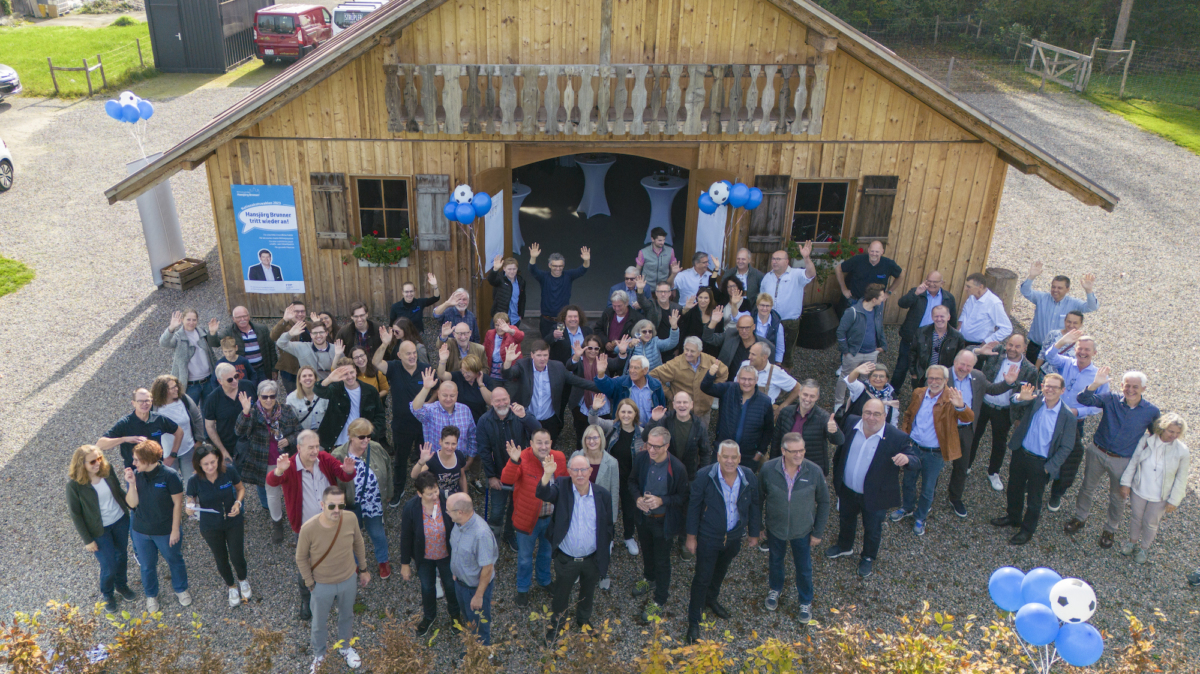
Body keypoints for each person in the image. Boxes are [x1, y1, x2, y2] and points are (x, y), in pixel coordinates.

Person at [1064, 367, 1160, 548]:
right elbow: (1083, 399)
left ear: (1144, 389)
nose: (1130, 390)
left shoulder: (1151, 411)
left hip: (1123, 460)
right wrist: (1095, 384)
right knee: (1087, 487)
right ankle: (1079, 517)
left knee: (1118, 497)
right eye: (1127, 385)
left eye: (1135, 387)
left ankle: (1110, 529)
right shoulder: (1111, 399)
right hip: (1098, 452)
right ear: (1122, 385)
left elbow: (1156, 437)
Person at [267, 430, 357, 618]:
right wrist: (279, 470)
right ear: (299, 448)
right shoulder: (289, 465)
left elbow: (343, 475)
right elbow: (271, 481)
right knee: (305, 567)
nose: (316, 450)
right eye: (311, 447)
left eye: (317, 446)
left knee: (334, 559)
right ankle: (305, 600)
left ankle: (332, 592)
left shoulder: (324, 458)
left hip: (332, 523)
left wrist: (349, 470)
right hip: (305, 529)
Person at [826, 399, 917, 578]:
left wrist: (907, 460)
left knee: (873, 528)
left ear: (885, 416)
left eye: (877, 414)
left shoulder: (896, 437)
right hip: (847, 488)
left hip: (875, 494)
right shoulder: (851, 422)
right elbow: (838, 445)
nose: (871, 417)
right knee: (846, 519)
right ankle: (845, 546)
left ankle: (868, 557)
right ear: (862, 413)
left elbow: (914, 459)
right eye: (867, 412)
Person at [682, 440, 760, 643]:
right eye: (725, 456)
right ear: (718, 457)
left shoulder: (748, 476)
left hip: (733, 537)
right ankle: (694, 620)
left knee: (720, 571)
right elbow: (694, 507)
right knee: (702, 577)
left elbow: (755, 505)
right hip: (709, 537)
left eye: (734, 457)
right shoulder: (705, 476)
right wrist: (691, 537)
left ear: (740, 458)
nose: (729, 461)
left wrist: (753, 532)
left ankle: (711, 599)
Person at [989, 377, 1076, 545]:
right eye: (1047, 386)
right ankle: (1013, 517)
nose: (1050, 390)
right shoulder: (1034, 400)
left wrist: (1049, 467)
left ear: (1062, 390)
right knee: (1014, 488)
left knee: (1034, 500)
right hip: (1021, 454)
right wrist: (1021, 397)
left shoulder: (1067, 416)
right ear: (1042, 387)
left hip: (1041, 463)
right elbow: (1014, 401)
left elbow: (1066, 447)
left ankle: (1027, 530)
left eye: (1055, 388)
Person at [537, 453, 614, 639]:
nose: (580, 474)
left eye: (583, 469)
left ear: (590, 471)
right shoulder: (562, 487)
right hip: (566, 558)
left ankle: (583, 621)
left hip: (591, 558)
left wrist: (604, 553)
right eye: (575, 470)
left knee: (588, 592)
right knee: (561, 595)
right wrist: (547, 474)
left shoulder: (602, 494)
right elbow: (543, 493)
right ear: (569, 471)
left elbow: (608, 526)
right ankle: (556, 626)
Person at [296, 486, 369, 672]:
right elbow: (301, 557)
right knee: (319, 622)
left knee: (347, 615)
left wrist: (364, 569)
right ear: (322, 505)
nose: (337, 510)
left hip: (347, 579)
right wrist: (310, 582)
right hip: (321, 584)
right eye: (331, 506)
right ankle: (319, 655)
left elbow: (358, 542)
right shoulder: (309, 528)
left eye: (341, 505)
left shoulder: (351, 519)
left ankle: (345, 647)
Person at [894, 365, 972, 535]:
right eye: (931, 378)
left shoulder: (951, 398)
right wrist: (905, 434)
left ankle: (920, 517)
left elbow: (968, 418)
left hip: (934, 453)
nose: (934, 382)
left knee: (928, 488)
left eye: (938, 379)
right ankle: (907, 507)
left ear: (945, 380)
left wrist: (961, 406)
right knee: (908, 481)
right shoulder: (919, 393)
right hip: (913, 448)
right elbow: (909, 414)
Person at [760, 432, 827, 625]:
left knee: (804, 568)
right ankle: (775, 589)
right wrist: (758, 527)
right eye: (794, 451)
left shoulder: (814, 471)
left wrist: (818, 531)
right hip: (776, 529)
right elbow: (758, 498)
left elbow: (824, 501)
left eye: (802, 450)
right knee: (775, 561)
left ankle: (805, 601)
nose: (799, 455)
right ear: (783, 451)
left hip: (803, 531)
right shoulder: (768, 469)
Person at [944, 349, 1016, 517]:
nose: (964, 368)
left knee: (961, 467)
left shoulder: (978, 377)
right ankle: (929, 495)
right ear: (955, 362)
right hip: (943, 429)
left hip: (965, 429)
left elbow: (992, 389)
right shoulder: (942, 375)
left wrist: (1008, 383)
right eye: (962, 364)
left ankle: (955, 498)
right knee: (936, 465)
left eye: (969, 365)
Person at [628, 426, 689, 622]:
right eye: (649, 445)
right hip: (644, 519)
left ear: (667, 446)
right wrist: (637, 498)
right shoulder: (641, 459)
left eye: (656, 447)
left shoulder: (677, 468)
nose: (651, 450)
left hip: (664, 522)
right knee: (646, 551)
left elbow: (683, 497)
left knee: (662, 560)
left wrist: (662, 501)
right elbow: (631, 482)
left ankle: (660, 599)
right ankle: (649, 578)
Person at [1041, 330, 1105, 511]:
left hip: (1074, 422)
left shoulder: (1098, 376)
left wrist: (1078, 411)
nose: (1083, 352)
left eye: (1087, 349)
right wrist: (1062, 342)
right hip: (1052, 417)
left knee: (1068, 458)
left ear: (1094, 353)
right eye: (1079, 348)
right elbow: (1049, 356)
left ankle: (1056, 493)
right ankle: (1040, 481)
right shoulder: (1066, 363)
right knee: (1045, 449)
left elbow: (1100, 404)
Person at [501, 429, 567, 606]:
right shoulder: (522, 457)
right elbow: (506, 479)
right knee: (524, 557)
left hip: (551, 518)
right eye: (539, 442)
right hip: (527, 519)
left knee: (546, 553)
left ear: (551, 443)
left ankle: (544, 581)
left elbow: (565, 485)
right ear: (531, 444)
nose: (543, 446)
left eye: (546, 442)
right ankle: (523, 588)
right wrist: (514, 461)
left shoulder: (559, 458)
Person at [66, 445, 134, 614]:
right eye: (92, 461)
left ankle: (121, 585)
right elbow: (76, 515)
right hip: (99, 530)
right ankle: (107, 593)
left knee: (121, 555)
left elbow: (118, 491)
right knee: (108, 564)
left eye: (99, 458)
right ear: (82, 464)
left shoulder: (107, 471)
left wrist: (133, 506)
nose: (97, 463)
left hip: (119, 521)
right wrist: (87, 540)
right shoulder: (74, 486)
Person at [123, 440, 190, 612]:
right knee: (147, 565)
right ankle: (151, 595)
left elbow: (177, 504)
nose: (134, 463)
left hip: (165, 531)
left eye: (137, 460)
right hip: (141, 531)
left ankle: (181, 589)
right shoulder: (136, 475)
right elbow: (132, 504)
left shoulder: (170, 476)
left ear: (148, 459)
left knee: (174, 560)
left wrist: (175, 530)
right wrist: (131, 484)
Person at [234, 379, 301, 543]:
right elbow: (239, 431)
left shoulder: (286, 410)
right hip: (264, 460)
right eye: (265, 397)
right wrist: (245, 412)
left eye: (272, 396)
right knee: (272, 494)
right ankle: (277, 522)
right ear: (259, 396)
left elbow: (299, 431)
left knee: (292, 491)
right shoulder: (252, 412)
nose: (269, 400)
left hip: (287, 459)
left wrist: (290, 440)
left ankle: (296, 520)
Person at [185, 444, 250, 608]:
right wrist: (189, 507)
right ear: (198, 464)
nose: (210, 467)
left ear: (218, 459)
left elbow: (240, 488)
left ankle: (243, 580)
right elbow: (190, 499)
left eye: (213, 462)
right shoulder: (194, 481)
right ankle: (231, 586)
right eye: (205, 464)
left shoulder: (229, 471)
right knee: (221, 558)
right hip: (210, 526)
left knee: (237, 555)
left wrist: (238, 502)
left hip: (233, 521)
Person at [1118, 414, 1189, 564]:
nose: (1174, 436)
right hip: (1139, 490)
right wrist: (1126, 483)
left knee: (1151, 523)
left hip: (1160, 496)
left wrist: (1174, 500)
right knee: (1136, 518)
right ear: (1162, 427)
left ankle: (1144, 548)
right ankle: (1132, 541)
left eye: (1177, 433)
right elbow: (1134, 462)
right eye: (1171, 431)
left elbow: (1182, 478)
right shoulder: (1146, 441)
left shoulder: (1182, 451)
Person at [399, 471, 462, 636]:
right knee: (427, 588)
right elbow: (406, 536)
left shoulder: (447, 501)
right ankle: (429, 616)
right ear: (419, 493)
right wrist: (405, 564)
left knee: (450, 586)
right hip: (424, 558)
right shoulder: (410, 508)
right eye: (429, 494)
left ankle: (456, 615)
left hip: (447, 556)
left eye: (436, 491)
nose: (435, 496)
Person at [975, 335, 1039, 492]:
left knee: (999, 443)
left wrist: (1019, 417)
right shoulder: (996, 352)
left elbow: (1028, 394)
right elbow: (970, 354)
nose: (1012, 349)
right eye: (1010, 344)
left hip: (1004, 410)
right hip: (983, 404)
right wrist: (977, 350)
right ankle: (967, 465)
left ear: (1024, 348)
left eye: (1017, 346)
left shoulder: (1030, 370)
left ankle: (993, 472)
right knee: (974, 435)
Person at [477, 387, 539, 549]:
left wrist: (525, 417)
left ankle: (509, 535)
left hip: (521, 474)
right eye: (497, 400)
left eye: (504, 399)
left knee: (516, 508)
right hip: (499, 474)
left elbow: (538, 431)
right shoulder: (484, 421)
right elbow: (483, 451)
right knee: (497, 510)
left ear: (510, 398)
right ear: (491, 402)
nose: (502, 403)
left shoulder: (520, 413)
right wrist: (491, 476)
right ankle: (493, 538)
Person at [374, 333, 431, 504]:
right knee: (400, 460)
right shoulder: (394, 368)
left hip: (424, 424)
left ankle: (425, 489)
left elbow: (437, 389)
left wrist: (429, 404)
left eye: (414, 352)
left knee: (425, 458)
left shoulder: (425, 369)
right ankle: (399, 489)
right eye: (408, 353)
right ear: (399, 355)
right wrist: (384, 344)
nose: (412, 356)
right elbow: (376, 362)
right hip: (401, 425)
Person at [332, 418, 393, 579]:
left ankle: (383, 560)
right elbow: (333, 482)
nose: (366, 440)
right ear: (351, 436)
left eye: (368, 436)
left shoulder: (377, 448)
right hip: (351, 505)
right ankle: (355, 563)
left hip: (373, 503)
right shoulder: (338, 455)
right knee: (351, 535)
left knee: (378, 533)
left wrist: (389, 493)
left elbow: (387, 468)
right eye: (361, 437)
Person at [504, 340, 596, 444]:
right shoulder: (523, 365)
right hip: (526, 419)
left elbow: (578, 381)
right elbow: (508, 375)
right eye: (539, 355)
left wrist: (604, 386)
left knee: (547, 452)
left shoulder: (558, 367)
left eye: (545, 355)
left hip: (549, 421)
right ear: (532, 355)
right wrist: (507, 362)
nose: (542, 359)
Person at [588, 396, 645, 556]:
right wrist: (595, 408)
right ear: (618, 413)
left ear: (635, 414)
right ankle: (609, 538)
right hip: (610, 477)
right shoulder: (610, 426)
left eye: (629, 412)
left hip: (631, 479)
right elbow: (593, 421)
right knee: (608, 509)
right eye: (623, 411)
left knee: (629, 510)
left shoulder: (642, 432)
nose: (626, 415)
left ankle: (628, 537)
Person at [572, 423, 620, 591]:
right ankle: (578, 570)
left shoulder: (612, 462)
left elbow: (614, 491)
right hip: (579, 508)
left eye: (595, 437)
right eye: (588, 437)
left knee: (602, 543)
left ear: (601, 439)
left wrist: (612, 518)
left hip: (600, 511)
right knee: (579, 540)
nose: (591, 441)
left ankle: (602, 572)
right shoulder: (576, 456)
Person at [1020, 261, 1098, 364]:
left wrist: (1089, 290)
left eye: (1060, 288)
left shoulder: (1073, 303)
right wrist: (1031, 276)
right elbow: (1025, 291)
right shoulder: (1041, 298)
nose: (1055, 290)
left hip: (1058, 351)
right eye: (1053, 287)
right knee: (1030, 377)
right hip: (1036, 347)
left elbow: (1092, 307)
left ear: (1067, 289)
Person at [447, 492, 498, 646]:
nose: (447, 513)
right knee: (469, 619)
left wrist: (478, 595)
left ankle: (481, 655)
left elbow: (487, 568)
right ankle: (472, 646)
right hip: (460, 583)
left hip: (474, 589)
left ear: (460, 512)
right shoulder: (459, 524)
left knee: (480, 624)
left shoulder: (481, 534)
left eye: (448, 510)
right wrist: (456, 573)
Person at [702, 362, 774, 469]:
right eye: (743, 379)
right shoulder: (728, 389)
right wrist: (710, 374)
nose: (746, 382)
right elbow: (705, 388)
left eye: (750, 379)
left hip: (748, 456)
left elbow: (768, 430)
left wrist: (759, 453)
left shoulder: (765, 401)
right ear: (738, 379)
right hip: (723, 450)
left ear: (756, 380)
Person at [893, 271, 957, 390]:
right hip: (912, 337)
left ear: (942, 283)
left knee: (926, 370)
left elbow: (952, 320)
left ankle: (921, 395)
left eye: (935, 282)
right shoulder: (917, 292)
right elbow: (902, 303)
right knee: (901, 367)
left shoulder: (948, 298)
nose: (931, 284)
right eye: (929, 281)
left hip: (933, 340)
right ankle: (893, 393)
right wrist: (916, 293)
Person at [411, 368, 479, 476]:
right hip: (435, 464)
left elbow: (472, 436)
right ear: (438, 394)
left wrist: (470, 459)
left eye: (452, 396)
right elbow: (415, 409)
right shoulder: (430, 410)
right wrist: (426, 388)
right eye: (444, 395)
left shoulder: (465, 410)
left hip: (458, 463)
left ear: (457, 395)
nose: (448, 399)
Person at [651, 336, 728, 430]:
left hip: (703, 411)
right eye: (686, 350)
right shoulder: (675, 364)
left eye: (692, 351)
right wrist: (670, 395)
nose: (688, 353)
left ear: (700, 351)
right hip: (681, 413)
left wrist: (712, 389)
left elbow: (724, 372)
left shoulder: (710, 361)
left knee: (701, 439)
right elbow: (653, 375)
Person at [99, 387, 182, 470]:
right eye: (140, 401)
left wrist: (172, 455)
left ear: (151, 401)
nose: (144, 404)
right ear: (133, 403)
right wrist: (124, 439)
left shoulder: (159, 419)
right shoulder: (125, 423)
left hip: (157, 470)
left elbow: (179, 432)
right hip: (134, 472)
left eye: (147, 400)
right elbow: (100, 444)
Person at [760, 246, 816, 364]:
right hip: (770, 320)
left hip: (789, 322)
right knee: (767, 351)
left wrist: (806, 258)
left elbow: (811, 274)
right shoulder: (767, 277)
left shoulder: (796, 275)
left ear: (786, 261)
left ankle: (784, 378)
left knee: (787, 355)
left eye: (778, 259)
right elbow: (762, 298)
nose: (774, 261)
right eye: (773, 259)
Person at [772, 379, 841, 475]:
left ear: (817, 397)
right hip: (786, 467)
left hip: (810, 471)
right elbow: (776, 440)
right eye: (805, 394)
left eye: (812, 396)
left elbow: (839, 441)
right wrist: (773, 464)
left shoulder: (823, 417)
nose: (808, 399)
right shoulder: (785, 413)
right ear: (799, 393)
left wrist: (834, 431)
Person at [316, 358, 388, 450]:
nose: (349, 376)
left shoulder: (370, 391)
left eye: (351, 372)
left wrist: (371, 432)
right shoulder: (335, 389)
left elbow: (380, 415)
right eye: (345, 374)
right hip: (339, 443)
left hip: (363, 441)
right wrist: (329, 379)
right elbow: (319, 391)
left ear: (356, 371)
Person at [834, 284, 887, 408]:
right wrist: (845, 350)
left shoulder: (878, 310)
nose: (883, 299)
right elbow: (840, 331)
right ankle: (838, 404)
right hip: (854, 353)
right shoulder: (852, 311)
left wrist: (883, 346)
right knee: (845, 378)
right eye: (881, 297)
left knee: (866, 380)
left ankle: (859, 403)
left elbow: (880, 328)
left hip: (871, 353)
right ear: (874, 299)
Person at [149, 374, 205, 486]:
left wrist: (198, 441)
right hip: (166, 455)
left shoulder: (184, 399)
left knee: (192, 483)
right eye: (172, 387)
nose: (177, 389)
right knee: (170, 486)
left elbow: (197, 418)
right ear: (163, 390)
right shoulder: (154, 407)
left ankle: (192, 503)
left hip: (188, 450)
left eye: (176, 386)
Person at [644, 391, 712, 481]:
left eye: (685, 402)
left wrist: (701, 475)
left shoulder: (699, 425)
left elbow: (705, 453)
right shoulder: (665, 420)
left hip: (689, 475)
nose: (682, 405)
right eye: (678, 402)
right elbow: (645, 438)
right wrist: (653, 420)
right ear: (674, 405)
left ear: (691, 404)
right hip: (666, 473)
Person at [529, 242, 591, 338]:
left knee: (560, 343)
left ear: (563, 266)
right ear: (550, 265)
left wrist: (586, 261)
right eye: (555, 266)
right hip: (546, 320)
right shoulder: (544, 277)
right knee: (546, 343)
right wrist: (533, 257)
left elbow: (582, 270)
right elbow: (533, 270)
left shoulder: (568, 276)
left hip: (561, 321)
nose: (558, 269)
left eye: (560, 266)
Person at [160, 308, 219, 405]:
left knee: (209, 413)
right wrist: (171, 328)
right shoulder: (178, 336)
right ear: (182, 320)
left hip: (208, 381)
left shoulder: (202, 332)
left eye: (194, 320)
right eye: (188, 319)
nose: (191, 322)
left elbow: (215, 344)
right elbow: (164, 343)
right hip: (190, 385)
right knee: (189, 413)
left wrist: (212, 333)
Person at [203, 363, 259, 464]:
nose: (234, 381)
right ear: (220, 381)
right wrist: (222, 451)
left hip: (254, 442)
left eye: (236, 376)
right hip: (230, 447)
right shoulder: (212, 399)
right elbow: (209, 426)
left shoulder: (248, 385)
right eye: (230, 379)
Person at [592, 353, 668, 426]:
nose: (632, 371)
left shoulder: (655, 385)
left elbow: (661, 408)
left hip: (650, 429)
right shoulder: (621, 383)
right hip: (626, 429)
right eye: (631, 367)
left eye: (636, 368)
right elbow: (606, 386)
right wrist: (601, 374)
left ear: (645, 370)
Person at [208, 306, 276, 382]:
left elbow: (271, 348)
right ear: (233, 319)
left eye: (244, 316)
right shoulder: (229, 331)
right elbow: (216, 343)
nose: (242, 319)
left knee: (264, 392)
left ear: (249, 316)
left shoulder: (262, 329)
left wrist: (274, 369)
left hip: (262, 370)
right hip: (243, 372)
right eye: (239, 317)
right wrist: (213, 333)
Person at [910, 305, 966, 390]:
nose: (939, 319)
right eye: (936, 316)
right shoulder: (921, 332)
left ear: (948, 317)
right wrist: (914, 374)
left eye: (942, 316)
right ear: (932, 317)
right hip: (923, 377)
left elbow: (960, 359)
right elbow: (912, 353)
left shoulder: (957, 337)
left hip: (945, 379)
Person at [957, 274, 1012, 353]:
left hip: (979, 345)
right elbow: (964, 315)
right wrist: (958, 332)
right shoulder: (971, 297)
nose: (965, 289)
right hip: (961, 342)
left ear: (980, 287)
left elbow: (1007, 328)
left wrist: (987, 342)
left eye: (969, 287)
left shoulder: (994, 303)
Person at [835, 240, 902, 305]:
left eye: (877, 252)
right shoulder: (857, 260)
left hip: (876, 303)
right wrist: (844, 289)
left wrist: (889, 292)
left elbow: (901, 275)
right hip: (856, 301)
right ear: (868, 250)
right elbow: (838, 269)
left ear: (882, 252)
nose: (874, 254)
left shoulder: (888, 264)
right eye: (872, 251)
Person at [436, 350, 494, 422]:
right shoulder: (458, 376)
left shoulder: (485, 379)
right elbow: (442, 375)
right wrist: (442, 360)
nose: (464, 374)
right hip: (459, 419)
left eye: (468, 372)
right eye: (463, 371)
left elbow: (491, 402)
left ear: (476, 371)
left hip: (478, 419)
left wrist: (481, 384)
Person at [704, 313, 770, 375]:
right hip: (728, 381)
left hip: (751, 383)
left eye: (747, 328)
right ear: (737, 327)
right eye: (741, 328)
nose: (744, 331)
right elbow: (708, 338)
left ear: (754, 327)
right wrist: (713, 322)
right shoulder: (730, 335)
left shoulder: (764, 345)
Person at [840, 361, 901, 426]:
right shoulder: (862, 389)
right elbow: (850, 382)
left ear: (886, 379)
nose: (878, 379)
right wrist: (856, 371)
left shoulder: (891, 395)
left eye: (881, 376)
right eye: (874, 376)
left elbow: (893, 419)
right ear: (869, 378)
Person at [412, 428, 469, 497]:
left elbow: (462, 477)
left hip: (455, 496)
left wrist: (465, 496)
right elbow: (414, 476)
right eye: (447, 443)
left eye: (453, 444)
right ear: (440, 442)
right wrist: (421, 462)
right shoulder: (433, 459)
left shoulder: (459, 455)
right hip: (437, 497)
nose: (450, 447)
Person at [741, 341, 800, 409]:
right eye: (750, 353)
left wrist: (782, 407)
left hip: (763, 413)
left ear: (764, 357)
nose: (749, 357)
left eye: (753, 354)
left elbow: (798, 388)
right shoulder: (744, 365)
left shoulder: (775, 372)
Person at [270, 302, 313, 394]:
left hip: (308, 368)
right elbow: (273, 336)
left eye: (302, 311)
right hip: (290, 370)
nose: (300, 314)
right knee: (294, 397)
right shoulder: (284, 325)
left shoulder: (309, 326)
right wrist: (285, 319)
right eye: (297, 311)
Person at [1036, 310, 1084, 376]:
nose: (1071, 325)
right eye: (1069, 322)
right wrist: (1035, 371)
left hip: (1065, 379)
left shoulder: (1083, 341)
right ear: (1064, 321)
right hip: (1046, 374)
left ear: (1081, 324)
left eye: (1075, 323)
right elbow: (1042, 354)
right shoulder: (1053, 334)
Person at [596, 290, 644, 355]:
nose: (617, 309)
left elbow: (640, 337)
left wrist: (623, 343)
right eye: (614, 306)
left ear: (626, 303)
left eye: (619, 306)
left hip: (626, 354)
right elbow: (597, 329)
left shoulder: (637, 318)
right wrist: (606, 342)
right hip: (606, 354)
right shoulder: (607, 313)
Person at [678, 287, 721, 357]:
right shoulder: (691, 310)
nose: (703, 300)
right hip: (691, 350)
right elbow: (680, 322)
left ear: (710, 299)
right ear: (697, 298)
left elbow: (718, 333)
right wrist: (685, 309)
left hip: (710, 351)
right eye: (700, 297)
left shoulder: (716, 312)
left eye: (706, 298)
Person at [287, 366, 330, 433]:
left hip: (324, 433)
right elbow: (290, 424)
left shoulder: (325, 394)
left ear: (315, 378)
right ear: (299, 380)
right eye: (304, 376)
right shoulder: (291, 398)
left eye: (310, 375)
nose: (307, 378)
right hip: (303, 435)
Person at [487, 254, 527, 326]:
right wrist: (495, 269)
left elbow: (522, 299)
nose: (512, 272)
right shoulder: (500, 279)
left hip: (515, 319)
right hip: (500, 319)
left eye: (514, 269)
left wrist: (521, 315)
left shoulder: (521, 281)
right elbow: (491, 280)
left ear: (517, 269)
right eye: (509, 269)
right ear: (504, 268)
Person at [636, 228, 677, 298]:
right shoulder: (643, 252)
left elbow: (673, 271)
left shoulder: (670, 251)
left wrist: (673, 288)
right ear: (652, 239)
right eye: (660, 240)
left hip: (663, 288)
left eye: (664, 240)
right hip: (648, 288)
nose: (662, 242)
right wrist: (637, 287)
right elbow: (637, 270)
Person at [483, 313, 525, 379]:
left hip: (509, 374)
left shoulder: (512, 331)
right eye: (497, 325)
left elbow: (520, 336)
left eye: (502, 325)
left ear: (508, 324)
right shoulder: (490, 333)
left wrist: (509, 330)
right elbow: (485, 350)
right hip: (493, 374)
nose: (499, 328)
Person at [750, 294, 787, 365]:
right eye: (762, 305)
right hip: (751, 356)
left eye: (767, 306)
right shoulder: (750, 319)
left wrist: (777, 365)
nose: (764, 308)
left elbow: (780, 348)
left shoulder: (777, 325)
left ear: (771, 307)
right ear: (757, 305)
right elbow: (736, 317)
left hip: (768, 358)